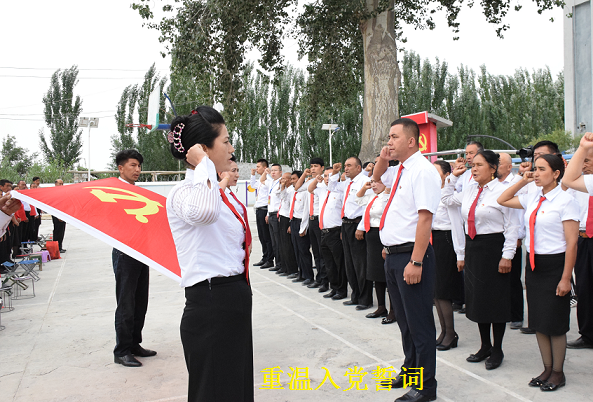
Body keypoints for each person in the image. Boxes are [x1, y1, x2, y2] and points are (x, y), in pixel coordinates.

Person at [166, 106, 253, 402]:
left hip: (233, 298)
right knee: (215, 392)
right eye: (225, 141)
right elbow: (205, 213)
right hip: (211, 303)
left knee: (235, 388)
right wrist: (203, 164)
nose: (231, 148)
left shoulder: (216, 191)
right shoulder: (184, 193)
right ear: (203, 149)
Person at [373, 118, 441, 402]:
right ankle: (411, 371)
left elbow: (425, 218)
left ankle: (425, 387)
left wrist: (416, 261)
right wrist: (383, 157)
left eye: (394, 137)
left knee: (419, 324)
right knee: (404, 321)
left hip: (412, 257)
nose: (389, 142)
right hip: (394, 255)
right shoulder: (401, 169)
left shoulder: (422, 171)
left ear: (411, 141)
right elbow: (376, 178)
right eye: (388, 137)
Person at [498, 153, 578, 391]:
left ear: (556, 174)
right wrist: (523, 180)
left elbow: (572, 244)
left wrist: (566, 278)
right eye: (535, 168)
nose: (537, 173)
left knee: (555, 322)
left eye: (542, 169)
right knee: (539, 321)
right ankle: (547, 368)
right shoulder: (534, 196)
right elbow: (503, 199)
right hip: (534, 266)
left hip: (555, 266)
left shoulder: (565, 200)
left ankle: (558, 372)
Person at [442, 150, 520, 371]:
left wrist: (507, 256)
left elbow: (512, 226)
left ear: (493, 168)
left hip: (494, 248)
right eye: (472, 165)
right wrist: (453, 177)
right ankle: (485, 345)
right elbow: (446, 199)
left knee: (496, 300)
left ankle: (498, 349)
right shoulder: (469, 190)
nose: (473, 169)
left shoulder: (503, 191)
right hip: (474, 248)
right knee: (478, 299)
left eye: (479, 165)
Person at [111, 149, 157, 368]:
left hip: (141, 251)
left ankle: (134, 343)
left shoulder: (137, 192)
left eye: (139, 166)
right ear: (121, 168)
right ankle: (121, 351)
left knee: (140, 301)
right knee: (126, 303)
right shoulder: (113, 192)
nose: (137, 170)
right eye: (133, 165)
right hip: (124, 253)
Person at [328, 158, 374, 310]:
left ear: (359, 168)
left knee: (360, 264)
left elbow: (367, 206)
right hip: (346, 224)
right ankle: (355, 295)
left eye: (349, 166)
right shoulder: (347, 183)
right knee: (350, 263)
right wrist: (335, 173)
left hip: (357, 224)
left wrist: (361, 227)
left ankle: (365, 299)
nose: (346, 168)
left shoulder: (364, 182)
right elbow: (332, 187)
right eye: (345, 166)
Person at [562, 132, 593, 350]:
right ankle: (588, 334)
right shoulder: (585, 183)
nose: (584, 164)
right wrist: (582, 149)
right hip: (584, 238)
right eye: (583, 161)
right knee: (584, 289)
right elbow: (567, 181)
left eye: (588, 160)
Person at [432, 160, 465, 351]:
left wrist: (460, 253)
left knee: (443, 291)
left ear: (447, 175)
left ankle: (450, 333)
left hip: (446, 241)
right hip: (434, 240)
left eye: (437, 172)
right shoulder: (431, 192)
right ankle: (444, 331)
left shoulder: (451, 195)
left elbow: (456, 225)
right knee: (436, 291)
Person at [355, 177, 395, 320]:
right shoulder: (373, 196)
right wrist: (365, 188)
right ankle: (381, 307)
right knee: (375, 274)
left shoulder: (388, 197)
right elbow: (358, 200)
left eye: (377, 182)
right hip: (371, 235)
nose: (373, 185)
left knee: (388, 274)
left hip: (383, 234)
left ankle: (394, 310)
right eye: (372, 182)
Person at [497, 153, 526, 330]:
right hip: (495, 236)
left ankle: (516, 315)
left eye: (500, 163)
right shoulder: (493, 184)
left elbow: (519, 214)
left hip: (512, 236)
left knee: (513, 279)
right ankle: (503, 312)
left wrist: (517, 237)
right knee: (499, 279)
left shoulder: (517, 183)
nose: (496, 166)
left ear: (509, 167)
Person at [309, 167, 347, 299]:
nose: (327, 178)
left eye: (330, 176)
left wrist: (342, 230)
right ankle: (334, 287)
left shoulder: (341, 191)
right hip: (324, 231)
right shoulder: (322, 190)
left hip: (335, 231)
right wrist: (316, 179)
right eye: (325, 176)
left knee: (339, 263)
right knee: (328, 262)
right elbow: (310, 189)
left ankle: (342, 290)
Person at [295, 158, 327, 290]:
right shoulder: (309, 182)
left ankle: (325, 280)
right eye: (311, 166)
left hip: (321, 219)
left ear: (322, 168)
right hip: (311, 219)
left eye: (316, 166)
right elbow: (297, 187)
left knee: (322, 251)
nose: (313, 168)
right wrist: (305, 174)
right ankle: (319, 278)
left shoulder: (325, 182)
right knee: (316, 252)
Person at [250, 159, 274, 268]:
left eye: (258, 167)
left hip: (265, 209)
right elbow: (253, 185)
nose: (256, 168)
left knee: (266, 236)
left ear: (265, 168)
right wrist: (252, 175)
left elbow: (270, 197)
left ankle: (269, 259)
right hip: (259, 209)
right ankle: (265, 257)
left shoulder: (269, 180)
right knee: (261, 236)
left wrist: (268, 213)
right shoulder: (261, 180)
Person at [277, 172, 298, 277]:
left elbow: (289, 203)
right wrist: (281, 186)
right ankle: (285, 267)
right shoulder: (285, 189)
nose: (282, 180)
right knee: (282, 245)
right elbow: (279, 196)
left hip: (288, 218)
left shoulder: (292, 190)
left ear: (289, 180)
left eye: (284, 179)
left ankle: (292, 269)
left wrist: (290, 223)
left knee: (288, 245)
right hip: (282, 217)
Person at [262, 164, 283, 271]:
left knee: (278, 241)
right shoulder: (271, 182)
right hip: (271, 214)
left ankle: (281, 264)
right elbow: (262, 180)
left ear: (280, 172)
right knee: (274, 241)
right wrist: (265, 173)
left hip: (277, 214)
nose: (273, 172)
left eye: (275, 170)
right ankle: (277, 264)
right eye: (272, 170)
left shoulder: (281, 182)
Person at [52, 179, 67, 253]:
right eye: (60, 184)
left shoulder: (63, 192)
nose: (61, 185)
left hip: (63, 213)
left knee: (62, 231)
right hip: (56, 214)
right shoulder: (54, 193)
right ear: (56, 184)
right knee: (57, 231)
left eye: (62, 184)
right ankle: (56, 247)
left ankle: (60, 246)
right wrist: (58, 216)